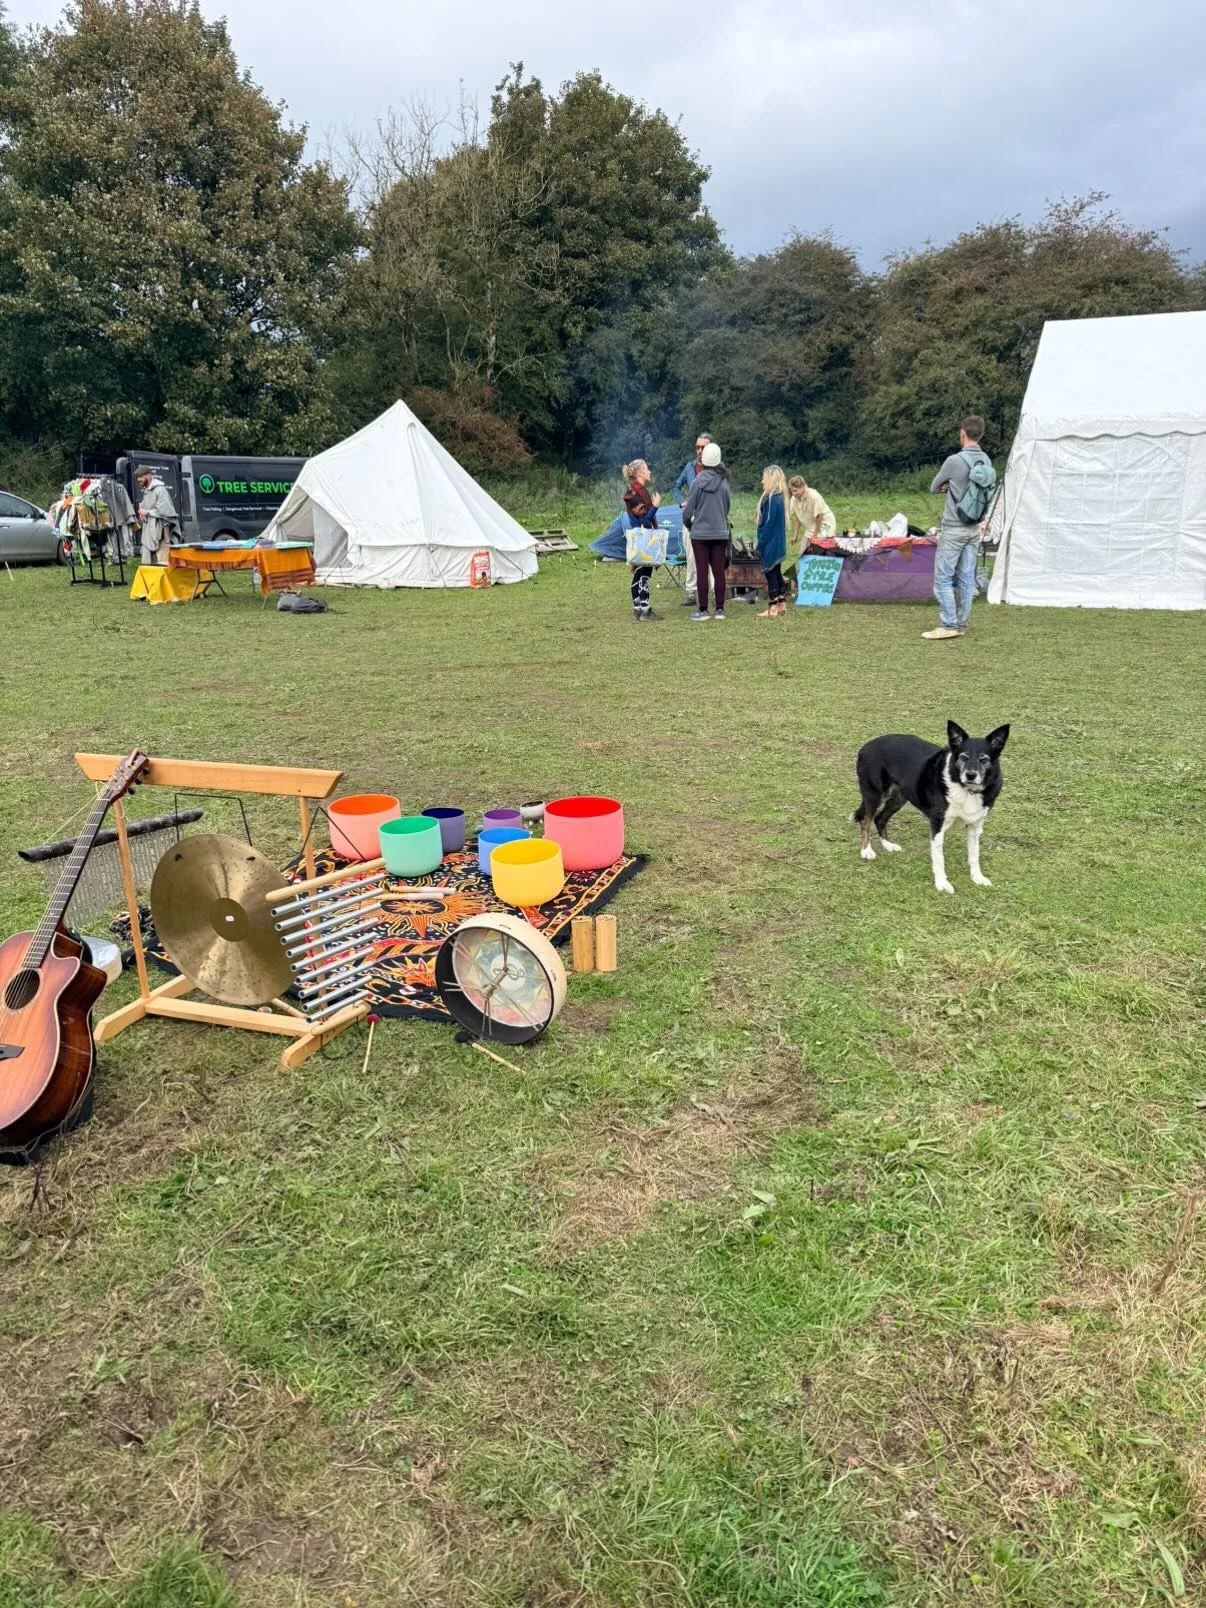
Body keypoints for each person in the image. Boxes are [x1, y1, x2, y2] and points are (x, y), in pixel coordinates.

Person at [924, 415, 993, 640]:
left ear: (963, 434)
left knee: (943, 577)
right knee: (966, 577)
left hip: (954, 526)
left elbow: (934, 486)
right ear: (980, 434)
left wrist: (948, 486)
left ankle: (948, 624)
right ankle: (961, 624)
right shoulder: (986, 460)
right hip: (974, 527)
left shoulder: (954, 461)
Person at [681, 442, 731, 621]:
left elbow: (688, 511)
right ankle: (719, 609)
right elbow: (727, 508)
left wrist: (689, 524)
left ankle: (703, 610)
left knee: (701, 571)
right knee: (718, 571)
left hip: (700, 534)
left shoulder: (696, 483)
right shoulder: (724, 483)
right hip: (720, 533)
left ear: (703, 462)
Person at [674, 433, 712, 606]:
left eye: (703, 448)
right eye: (697, 447)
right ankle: (691, 592)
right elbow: (676, 486)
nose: (699, 451)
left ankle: (712, 592)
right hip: (693, 515)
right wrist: (682, 502)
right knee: (691, 555)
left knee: (711, 555)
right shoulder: (690, 467)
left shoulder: (717, 468)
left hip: (711, 517)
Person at [622, 459, 662, 623]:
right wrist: (655, 506)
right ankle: (644, 610)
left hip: (639, 536)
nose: (649, 471)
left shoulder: (638, 491)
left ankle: (638, 608)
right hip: (642, 537)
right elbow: (645, 520)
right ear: (639, 473)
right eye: (647, 469)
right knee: (644, 572)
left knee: (640, 571)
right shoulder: (635, 494)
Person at [756, 466, 790, 617]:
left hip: (771, 543)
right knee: (776, 572)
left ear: (770, 479)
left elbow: (768, 525)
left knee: (770, 573)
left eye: (764, 478)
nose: (762, 481)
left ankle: (773, 607)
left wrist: (761, 542)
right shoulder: (780, 497)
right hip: (779, 542)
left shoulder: (772, 499)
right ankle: (782, 603)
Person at [787, 475, 837, 566]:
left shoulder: (814, 496)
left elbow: (820, 516)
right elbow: (798, 517)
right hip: (811, 526)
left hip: (825, 525)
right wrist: (795, 535)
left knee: (821, 551)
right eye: (792, 490)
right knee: (803, 553)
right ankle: (801, 577)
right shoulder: (794, 499)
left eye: (796, 490)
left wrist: (815, 536)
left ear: (803, 487)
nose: (793, 493)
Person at [136, 467, 180, 565]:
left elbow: (166, 511)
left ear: (148, 476)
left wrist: (147, 512)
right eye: (138, 477)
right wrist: (142, 512)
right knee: (150, 561)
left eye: (141, 477)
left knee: (163, 561)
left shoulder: (160, 490)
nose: (138, 480)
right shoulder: (146, 491)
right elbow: (147, 507)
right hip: (150, 531)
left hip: (162, 533)